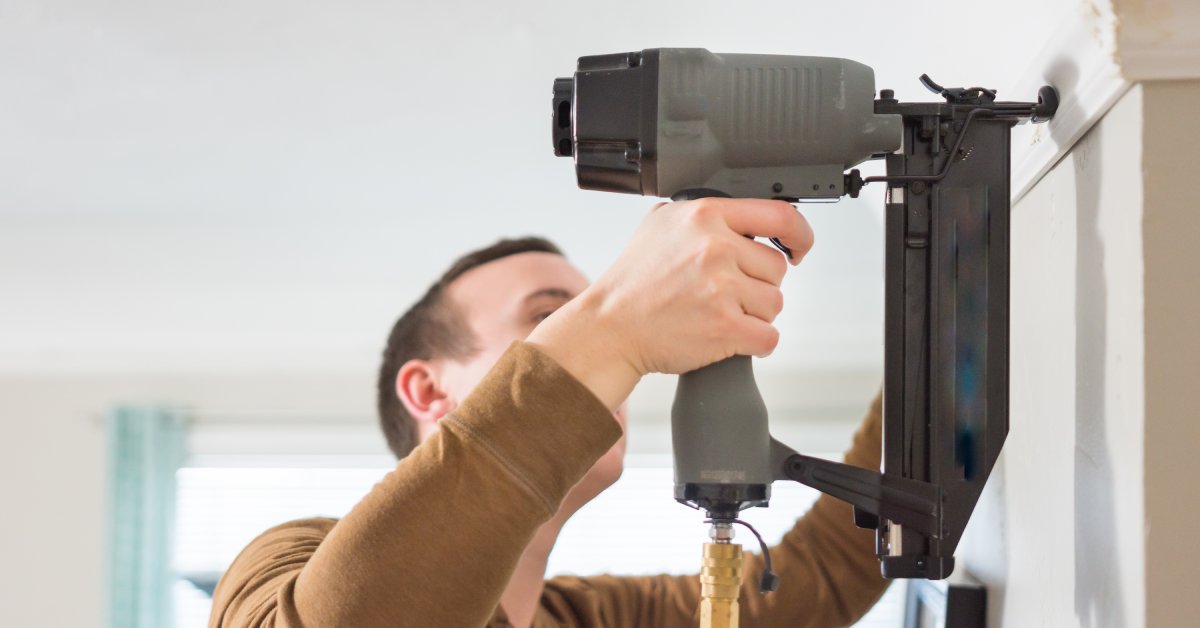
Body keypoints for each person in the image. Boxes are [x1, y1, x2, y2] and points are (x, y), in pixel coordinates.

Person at [210, 199, 888, 628]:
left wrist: (935, 326)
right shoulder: (283, 563)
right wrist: (611, 328)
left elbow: (823, 574)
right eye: (549, 321)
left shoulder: (586, 617)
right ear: (427, 390)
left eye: (581, 318)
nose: (619, 370)